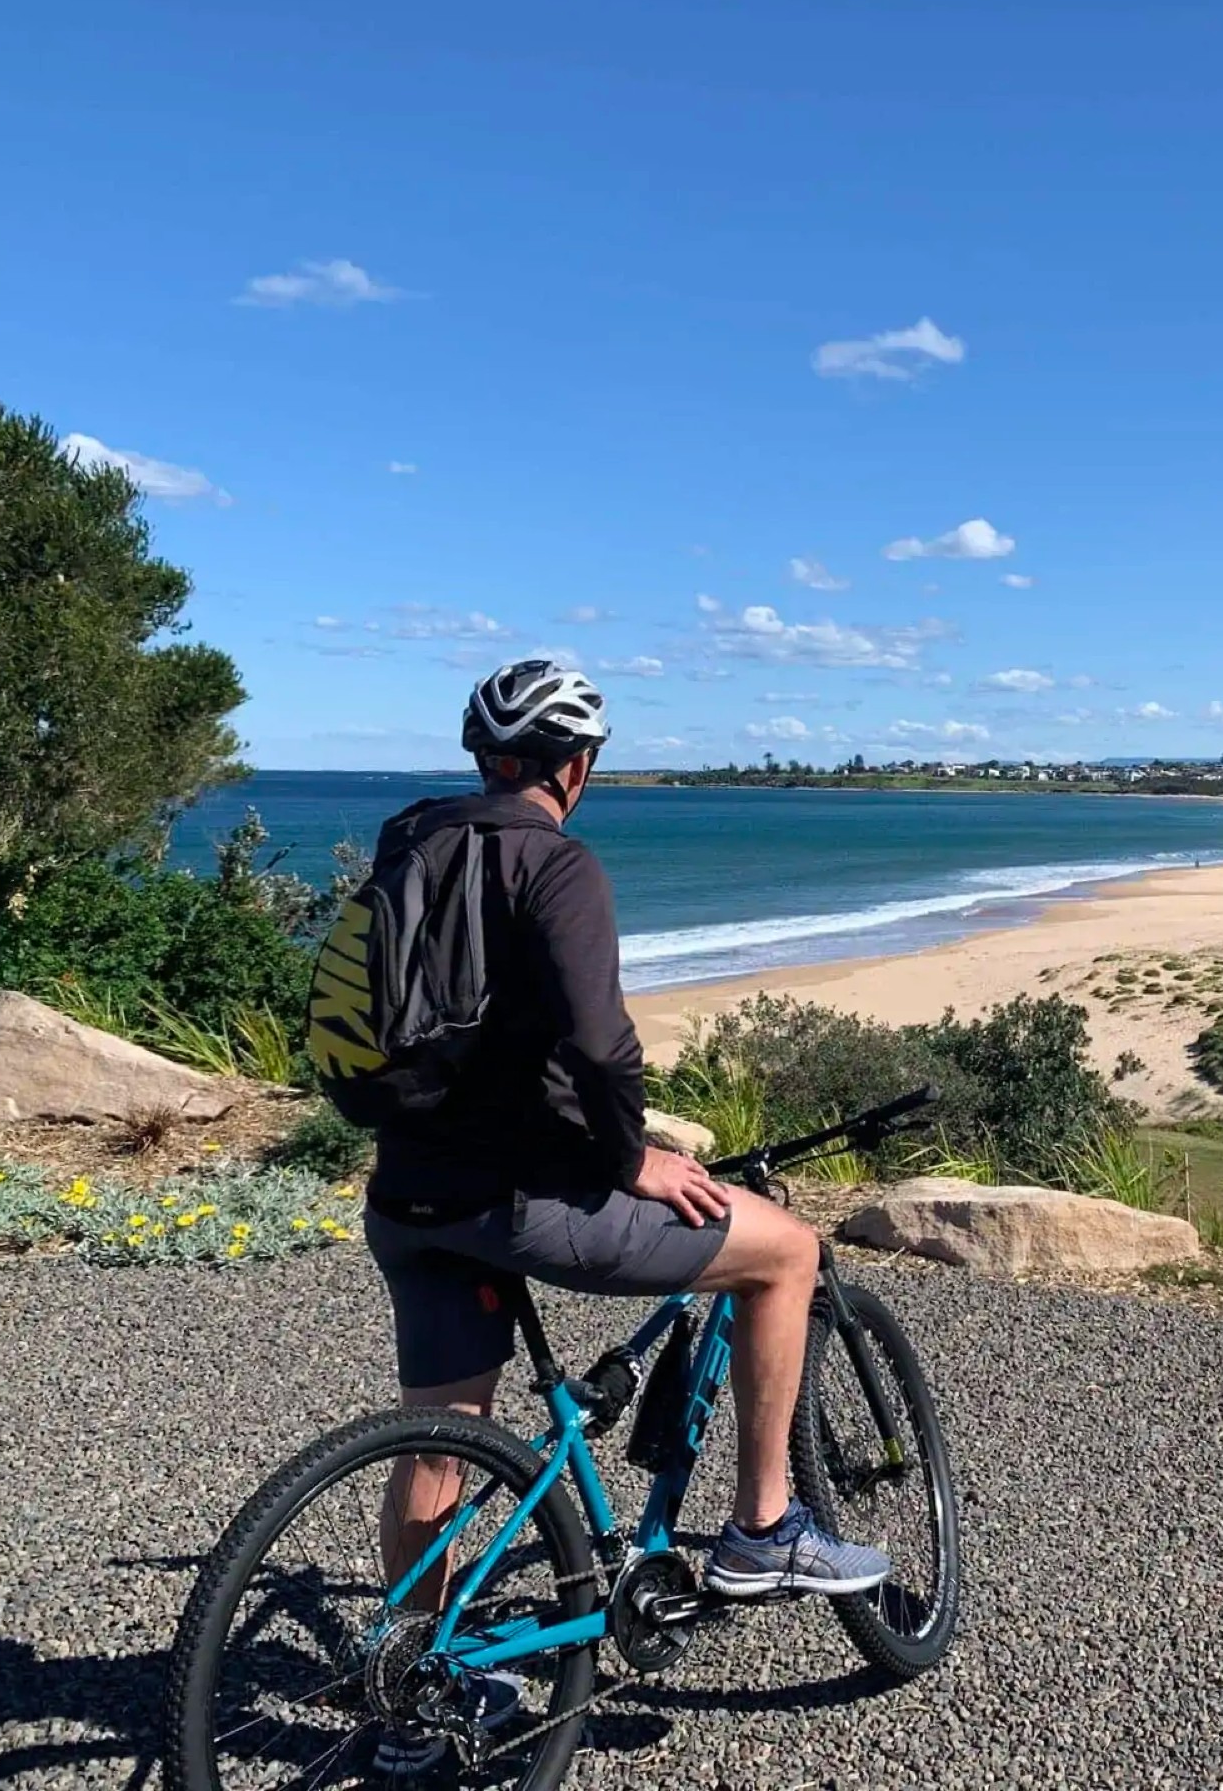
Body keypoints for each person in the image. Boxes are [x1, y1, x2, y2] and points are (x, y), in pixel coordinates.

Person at [361, 660, 887, 1774]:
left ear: (481, 759)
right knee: (786, 1251)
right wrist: (630, 1159)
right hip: (523, 1202)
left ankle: (414, 1675)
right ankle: (761, 1532)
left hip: (408, 1194)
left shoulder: (410, 840)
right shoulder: (557, 864)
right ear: (577, 765)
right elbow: (601, 1049)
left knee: (444, 1442)